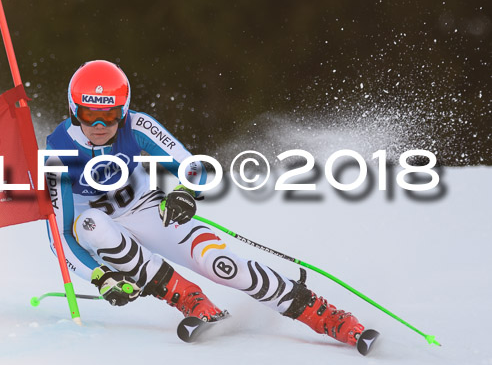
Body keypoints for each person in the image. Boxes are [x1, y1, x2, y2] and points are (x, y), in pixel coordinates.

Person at [45, 60, 368, 347]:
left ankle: (323, 314)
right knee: (91, 225)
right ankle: (190, 299)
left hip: (146, 209)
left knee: (220, 265)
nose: (100, 127)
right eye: (90, 115)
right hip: (100, 225)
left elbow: (195, 168)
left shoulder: (138, 126)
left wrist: (186, 191)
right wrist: (100, 277)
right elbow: (59, 235)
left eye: (110, 115)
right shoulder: (57, 151)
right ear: (74, 110)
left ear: (124, 111)